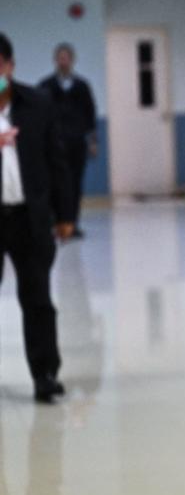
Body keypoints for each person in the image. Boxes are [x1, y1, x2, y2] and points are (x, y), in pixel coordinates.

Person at [0, 33, 74, 403]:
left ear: (10, 67)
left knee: (38, 299)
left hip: (29, 218)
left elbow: (57, 162)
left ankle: (45, 374)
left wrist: (65, 215)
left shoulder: (38, 104)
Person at [38, 43, 97, 238]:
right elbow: (38, 116)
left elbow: (90, 115)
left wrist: (93, 141)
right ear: (56, 60)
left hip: (76, 143)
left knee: (74, 184)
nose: (63, 61)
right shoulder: (46, 86)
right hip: (53, 144)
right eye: (60, 58)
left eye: (66, 58)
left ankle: (72, 223)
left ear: (72, 60)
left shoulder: (82, 86)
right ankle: (57, 223)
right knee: (55, 185)